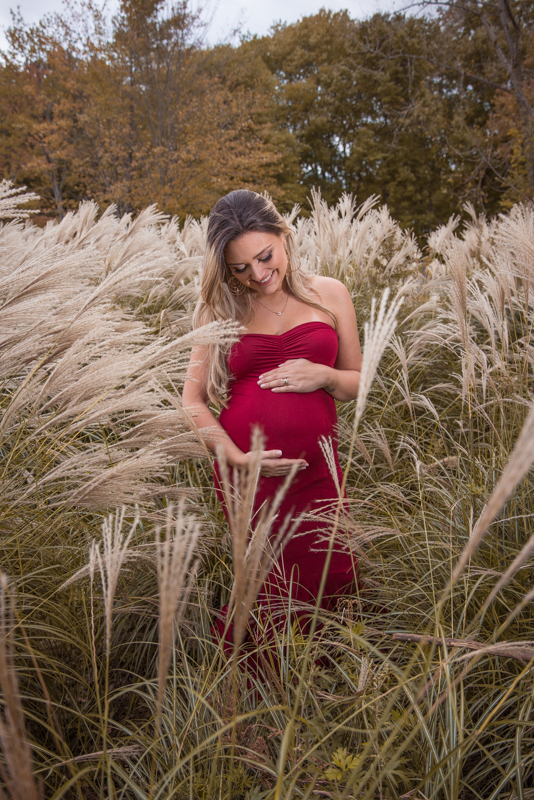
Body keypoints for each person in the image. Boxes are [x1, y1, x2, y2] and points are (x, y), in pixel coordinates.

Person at [183, 190, 362, 653]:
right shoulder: (221, 309)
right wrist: (238, 458)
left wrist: (324, 375)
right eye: (240, 268)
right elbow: (192, 401)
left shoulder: (330, 293)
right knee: (268, 580)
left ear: (284, 236)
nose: (258, 275)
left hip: (318, 469)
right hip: (250, 474)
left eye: (265, 257)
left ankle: (332, 678)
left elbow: (355, 383)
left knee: (332, 567)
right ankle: (257, 684)